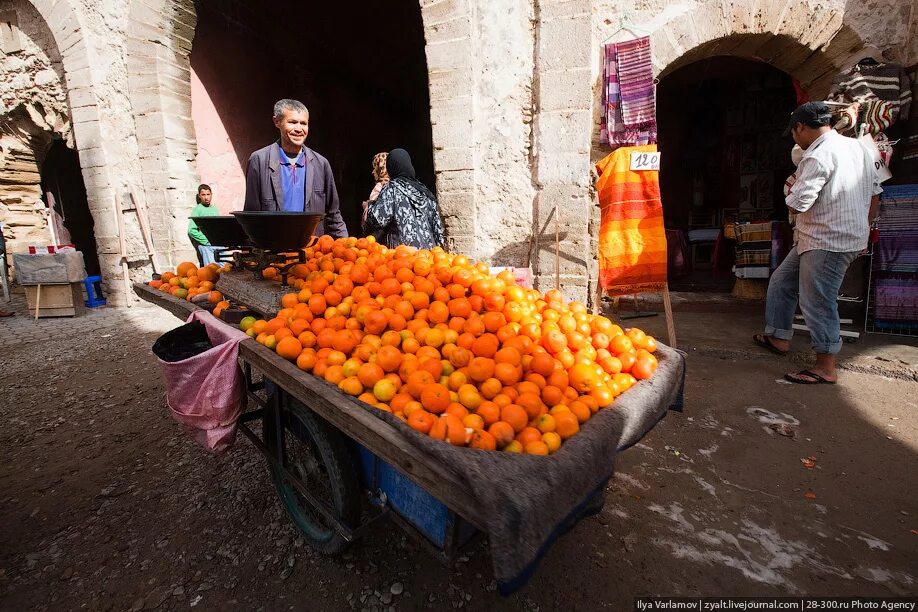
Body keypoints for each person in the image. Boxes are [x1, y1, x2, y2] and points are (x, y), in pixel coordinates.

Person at [753, 102, 882, 384]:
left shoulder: (817, 155)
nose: (794, 138)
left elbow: (799, 203)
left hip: (827, 239)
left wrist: (790, 188)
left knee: (817, 301)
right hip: (831, 236)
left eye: (794, 132)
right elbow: (875, 194)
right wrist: (863, 229)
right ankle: (778, 336)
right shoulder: (859, 147)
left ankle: (826, 366)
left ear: (801, 127)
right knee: (783, 281)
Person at [242, 99, 347, 239]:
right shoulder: (259, 161)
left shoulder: (321, 164)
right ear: (277, 122)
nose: (299, 129)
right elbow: (251, 217)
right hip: (273, 251)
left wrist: (348, 247)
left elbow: (333, 215)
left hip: (311, 253)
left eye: (303, 123)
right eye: (292, 122)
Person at [363, 148, 444, 250]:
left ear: (391, 167)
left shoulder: (392, 188)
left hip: (403, 255)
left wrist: (369, 206)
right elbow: (438, 232)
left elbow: (377, 219)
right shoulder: (426, 192)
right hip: (428, 257)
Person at [188, 184, 220, 266]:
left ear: (211, 195)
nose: (206, 197)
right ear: (199, 196)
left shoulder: (215, 209)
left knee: (223, 269)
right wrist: (206, 241)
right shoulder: (197, 210)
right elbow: (191, 230)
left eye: (208, 194)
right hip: (206, 245)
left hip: (217, 243)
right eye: (203, 195)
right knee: (211, 269)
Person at [361, 151, 389, 226]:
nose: (373, 172)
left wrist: (367, 206)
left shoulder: (379, 187)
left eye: (375, 168)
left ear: (381, 169)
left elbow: (372, 216)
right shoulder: (397, 187)